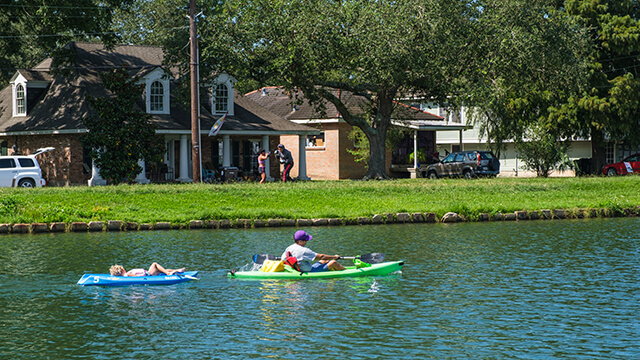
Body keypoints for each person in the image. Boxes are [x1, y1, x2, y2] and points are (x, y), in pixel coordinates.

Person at [281, 230, 345, 272]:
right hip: (309, 271)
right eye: (305, 240)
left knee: (324, 261)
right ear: (300, 241)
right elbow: (321, 256)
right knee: (333, 262)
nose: (307, 242)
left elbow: (282, 259)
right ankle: (347, 271)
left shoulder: (289, 248)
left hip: (298, 270)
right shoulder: (304, 250)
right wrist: (335, 257)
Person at [109, 262, 186, 276]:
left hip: (147, 274)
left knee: (160, 270)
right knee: (154, 264)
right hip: (148, 274)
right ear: (122, 270)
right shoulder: (128, 274)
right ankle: (168, 273)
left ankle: (178, 270)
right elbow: (137, 277)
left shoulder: (126, 274)